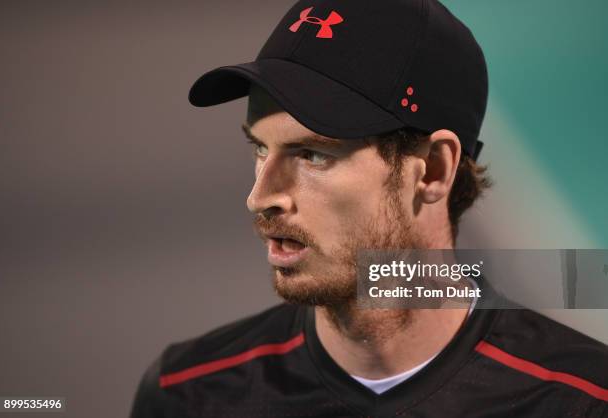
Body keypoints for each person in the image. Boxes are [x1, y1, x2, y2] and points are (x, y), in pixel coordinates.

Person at [130, 0, 608, 416]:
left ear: (434, 171)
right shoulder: (187, 394)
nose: (260, 197)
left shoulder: (583, 401)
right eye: (260, 149)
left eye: (313, 154)